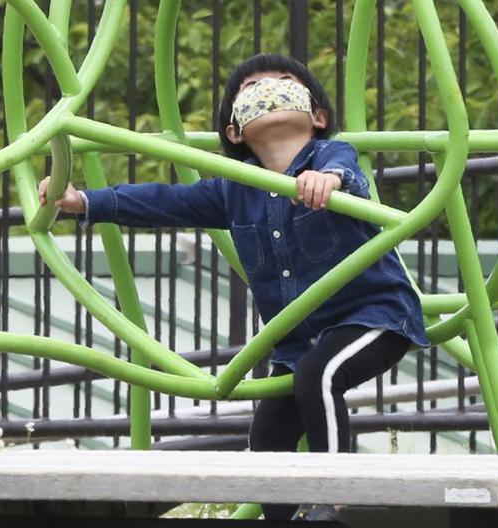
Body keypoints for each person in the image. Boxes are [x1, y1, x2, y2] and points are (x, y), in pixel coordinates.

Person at [39, 53, 428, 521]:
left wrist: (329, 180)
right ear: (234, 131)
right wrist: (84, 201)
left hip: (373, 317)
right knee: (267, 433)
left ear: (317, 116)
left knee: (318, 376)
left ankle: (333, 496)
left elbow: (345, 165)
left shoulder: (328, 156)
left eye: (284, 82)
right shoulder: (233, 189)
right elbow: (166, 201)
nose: (268, 90)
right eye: (252, 88)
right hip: (298, 342)